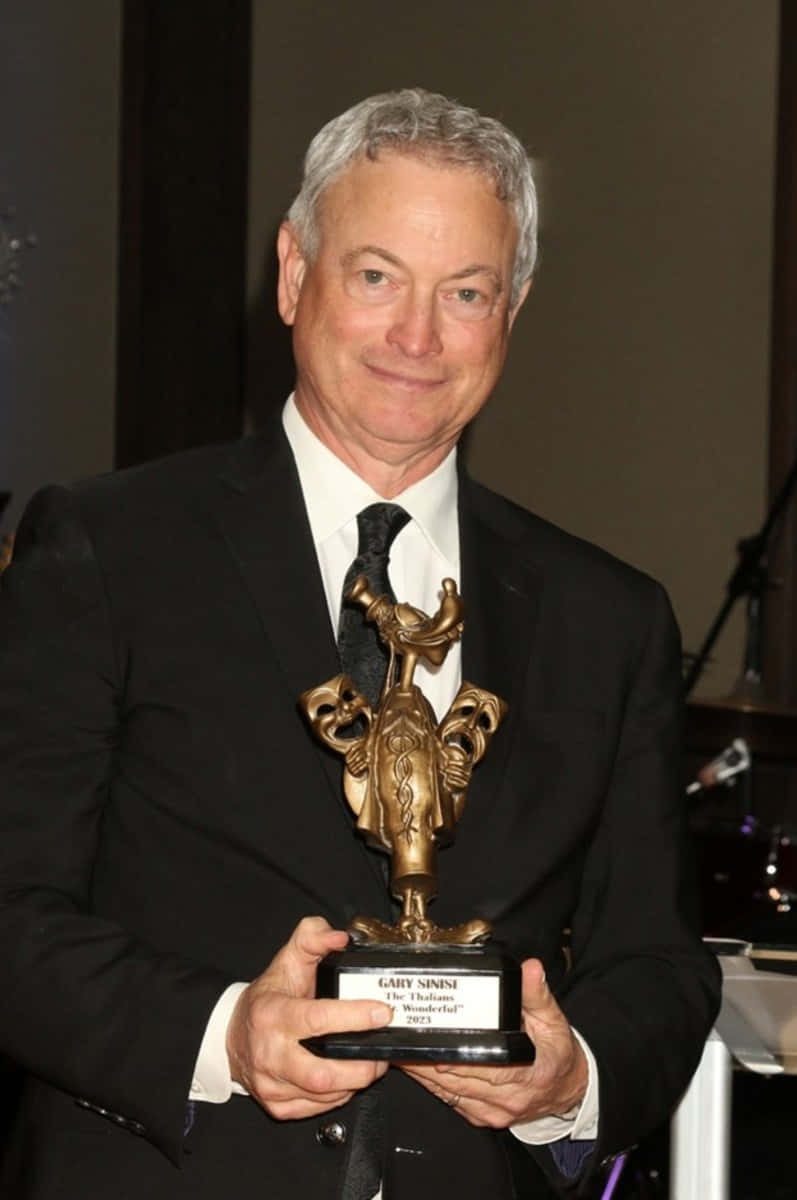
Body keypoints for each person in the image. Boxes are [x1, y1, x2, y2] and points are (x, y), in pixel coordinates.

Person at [0, 88, 719, 1199]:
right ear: (293, 275)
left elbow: (658, 967)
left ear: (511, 310)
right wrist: (225, 1034)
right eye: (375, 276)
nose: (416, 337)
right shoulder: (107, 549)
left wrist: (571, 1075)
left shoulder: (607, 616)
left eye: (464, 292)